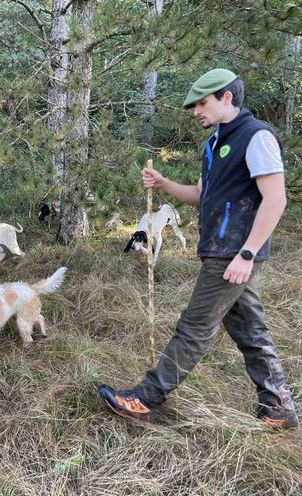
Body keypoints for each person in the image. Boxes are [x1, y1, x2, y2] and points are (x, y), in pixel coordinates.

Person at [97, 68, 298, 429]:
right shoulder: (213, 144)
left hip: (233, 253)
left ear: (227, 98)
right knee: (251, 331)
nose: (195, 111)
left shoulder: (256, 137)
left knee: (194, 327)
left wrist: (247, 254)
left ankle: (144, 398)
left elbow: (275, 199)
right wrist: (164, 183)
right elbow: (202, 195)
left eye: (202, 103)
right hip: (221, 250)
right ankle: (278, 408)